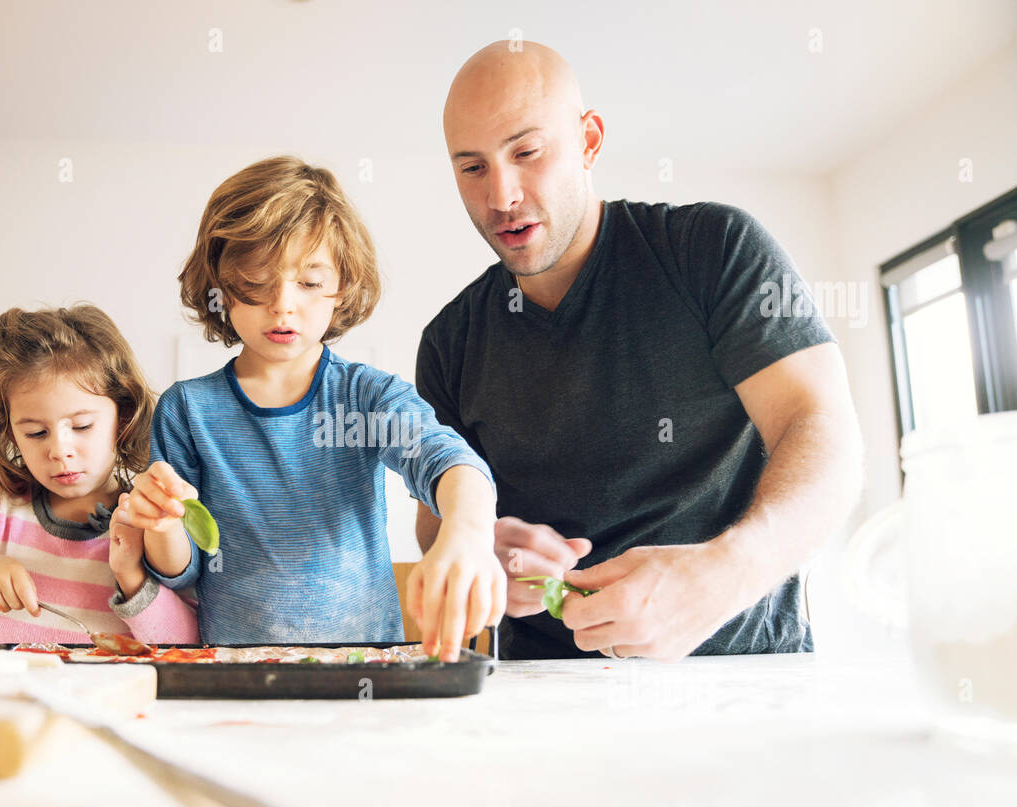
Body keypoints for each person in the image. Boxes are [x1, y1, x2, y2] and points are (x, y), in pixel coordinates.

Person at [415, 41, 863, 660]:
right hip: (545, 697)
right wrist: (478, 546)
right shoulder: (448, 342)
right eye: (473, 168)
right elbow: (436, 521)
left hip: (741, 676)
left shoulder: (715, 249)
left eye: (527, 152)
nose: (502, 196)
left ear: (589, 140)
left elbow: (824, 431)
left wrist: (721, 575)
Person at [115, 156, 504, 661]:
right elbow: (183, 570)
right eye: (256, 282)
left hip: (362, 669)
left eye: (310, 282)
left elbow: (444, 458)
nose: (282, 305)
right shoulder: (186, 410)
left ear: (342, 288)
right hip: (236, 674)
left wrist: (469, 531)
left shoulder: (367, 397)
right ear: (220, 287)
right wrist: (164, 526)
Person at [0, 304, 200, 647]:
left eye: (82, 426)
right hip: (0, 698)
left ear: (125, 415)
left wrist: (130, 577)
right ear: (11, 432)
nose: (59, 450)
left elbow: (186, 644)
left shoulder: (152, 519)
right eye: (36, 433)